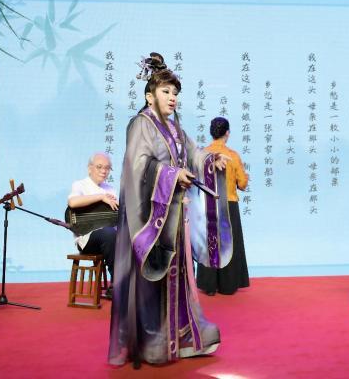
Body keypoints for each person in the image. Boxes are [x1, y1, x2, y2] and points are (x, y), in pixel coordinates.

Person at [108, 53, 230, 366]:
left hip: (174, 217)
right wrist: (172, 175)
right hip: (150, 220)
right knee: (152, 280)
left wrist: (210, 161)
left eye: (175, 92)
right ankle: (152, 338)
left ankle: (181, 333)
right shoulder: (141, 125)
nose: (172, 97)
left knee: (179, 277)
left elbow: (194, 153)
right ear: (150, 96)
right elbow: (137, 168)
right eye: (166, 91)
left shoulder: (175, 128)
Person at [196, 117, 250, 296]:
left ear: (211, 132)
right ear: (227, 133)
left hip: (208, 204)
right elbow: (242, 184)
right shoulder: (232, 155)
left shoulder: (203, 154)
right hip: (229, 203)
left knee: (209, 242)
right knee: (228, 244)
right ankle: (228, 285)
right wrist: (245, 177)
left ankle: (209, 285)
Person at [67, 152, 118, 282]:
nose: (104, 171)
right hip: (86, 240)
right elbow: (72, 202)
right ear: (90, 168)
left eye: (107, 168)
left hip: (110, 239)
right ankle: (116, 284)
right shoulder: (80, 185)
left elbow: (114, 217)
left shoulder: (110, 189)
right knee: (108, 233)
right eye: (99, 167)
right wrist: (101, 197)